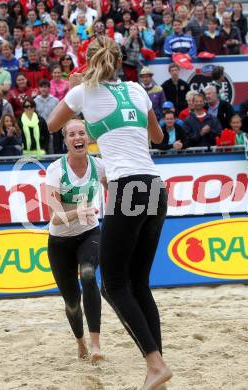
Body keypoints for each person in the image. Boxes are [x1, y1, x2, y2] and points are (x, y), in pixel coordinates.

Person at [48, 36, 172, 390]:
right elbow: (159, 136)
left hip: (127, 185)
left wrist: (75, 88)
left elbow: (53, 124)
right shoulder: (136, 89)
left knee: (114, 285)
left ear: (88, 63)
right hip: (154, 185)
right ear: (120, 62)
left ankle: (155, 364)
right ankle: (157, 369)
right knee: (140, 284)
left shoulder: (83, 92)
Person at [46, 119, 105, 362]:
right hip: (60, 241)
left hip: (89, 233)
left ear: (88, 138)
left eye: (81, 133)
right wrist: (79, 212)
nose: (77, 137)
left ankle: (96, 346)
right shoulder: (55, 170)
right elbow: (56, 217)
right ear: (66, 140)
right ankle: (80, 342)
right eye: (72, 134)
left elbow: (115, 191)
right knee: (72, 302)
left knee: (89, 275)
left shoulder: (100, 166)